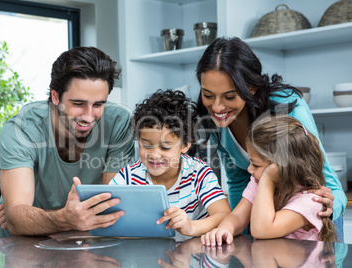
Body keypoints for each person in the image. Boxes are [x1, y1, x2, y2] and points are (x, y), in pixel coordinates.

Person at [195, 37, 346, 239]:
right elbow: (237, 182)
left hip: (312, 223)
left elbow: (321, 172)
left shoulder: (286, 105)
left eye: (230, 96)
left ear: (252, 87)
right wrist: (236, 234)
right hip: (266, 224)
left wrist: (329, 207)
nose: (217, 107)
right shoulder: (215, 122)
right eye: (208, 95)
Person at [0, 46, 135, 238]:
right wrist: (63, 219)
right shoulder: (21, 129)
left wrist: (35, 216)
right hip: (23, 248)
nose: (89, 116)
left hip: (82, 243)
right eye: (78, 104)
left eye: (99, 104)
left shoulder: (119, 122)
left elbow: (112, 207)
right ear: (55, 96)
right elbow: (17, 220)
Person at [109, 89, 231, 238]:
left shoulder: (199, 174)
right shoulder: (129, 176)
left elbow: (224, 215)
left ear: (185, 145)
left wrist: (190, 227)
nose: (154, 155)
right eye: (146, 145)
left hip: (193, 255)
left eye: (165, 147)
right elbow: (108, 215)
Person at [201, 115, 338, 246]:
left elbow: (262, 230)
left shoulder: (310, 201)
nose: (249, 169)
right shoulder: (257, 183)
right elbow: (238, 217)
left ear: (282, 168)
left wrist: (267, 178)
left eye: (256, 165)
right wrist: (225, 229)